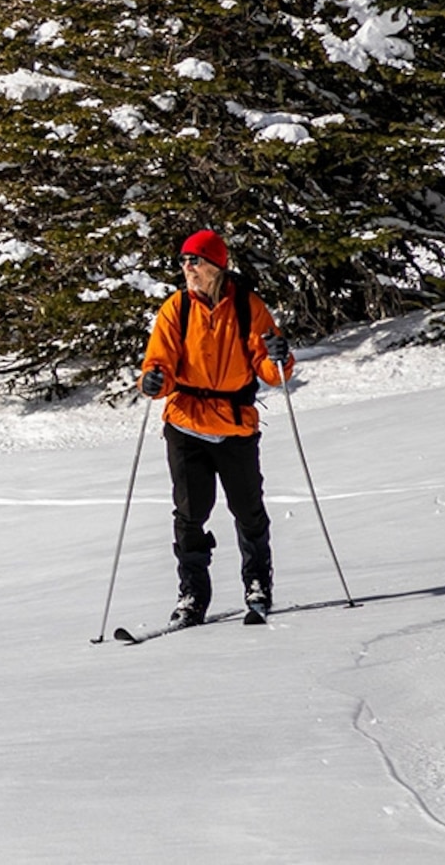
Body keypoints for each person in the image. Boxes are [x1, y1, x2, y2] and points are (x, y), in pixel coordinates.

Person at [138, 229, 294, 627]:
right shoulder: (177, 308)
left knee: (247, 509)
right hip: (186, 423)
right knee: (190, 514)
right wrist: (153, 381)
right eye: (184, 261)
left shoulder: (247, 307)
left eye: (195, 261)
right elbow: (159, 363)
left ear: (216, 267)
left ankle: (257, 583)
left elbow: (270, 370)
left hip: (235, 426)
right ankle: (192, 594)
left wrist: (280, 356)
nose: (187, 268)